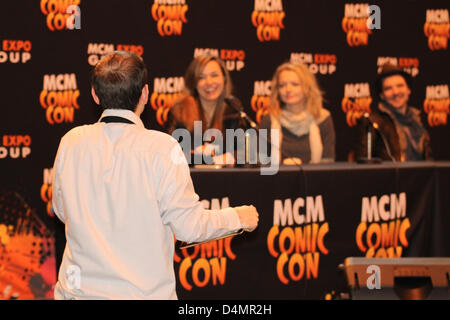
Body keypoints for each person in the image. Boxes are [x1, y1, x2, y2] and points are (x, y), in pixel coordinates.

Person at [51, 51, 259, 300]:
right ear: (145, 94)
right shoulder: (163, 147)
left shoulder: (71, 141)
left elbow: (61, 211)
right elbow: (189, 228)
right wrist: (238, 217)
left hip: (77, 293)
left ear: (95, 94)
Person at [166, 54, 247, 165]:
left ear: (224, 79)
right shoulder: (180, 111)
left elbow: (246, 153)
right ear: (194, 82)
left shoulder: (233, 111)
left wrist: (231, 158)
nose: (209, 82)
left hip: (226, 180)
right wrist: (198, 156)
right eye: (201, 77)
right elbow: (169, 153)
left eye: (214, 75)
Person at [259, 62, 336, 165]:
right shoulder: (269, 120)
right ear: (277, 90)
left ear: (307, 87)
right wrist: (283, 166)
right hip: (276, 179)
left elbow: (328, 162)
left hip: (315, 179)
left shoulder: (322, 119)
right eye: (282, 85)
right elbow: (259, 162)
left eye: (295, 84)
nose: (288, 90)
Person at [354, 63, 432, 162]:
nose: (395, 92)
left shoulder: (420, 119)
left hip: (422, 176)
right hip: (390, 177)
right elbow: (363, 166)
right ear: (382, 95)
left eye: (400, 86)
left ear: (408, 90)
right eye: (388, 88)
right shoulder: (371, 123)